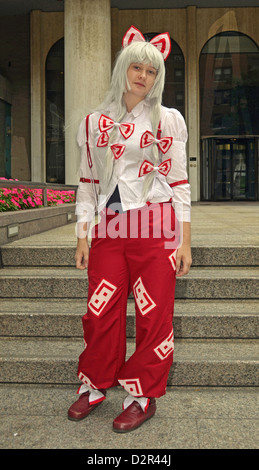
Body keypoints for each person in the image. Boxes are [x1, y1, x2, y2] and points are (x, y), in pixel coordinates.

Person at [67, 26, 192, 433]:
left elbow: (178, 182)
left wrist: (185, 241)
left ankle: (142, 394)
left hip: (157, 225)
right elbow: (88, 181)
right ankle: (96, 384)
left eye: (151, 71)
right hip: (111, 224)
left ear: (158, 78)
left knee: (154, 313)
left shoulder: (168, 120)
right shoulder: (94, 123)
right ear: (123, 68)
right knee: (99, 310)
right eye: (136, 67)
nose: (143, 76)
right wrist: (83, 234)